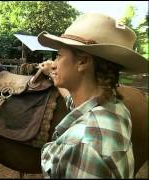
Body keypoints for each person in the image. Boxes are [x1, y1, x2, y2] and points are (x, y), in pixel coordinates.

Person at [37, 13, 148, 178]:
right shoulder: (113, 107)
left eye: (59, 56)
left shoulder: (84, 146)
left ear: (83, 62)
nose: (54, 64)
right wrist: (52, 74)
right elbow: (74, 103)